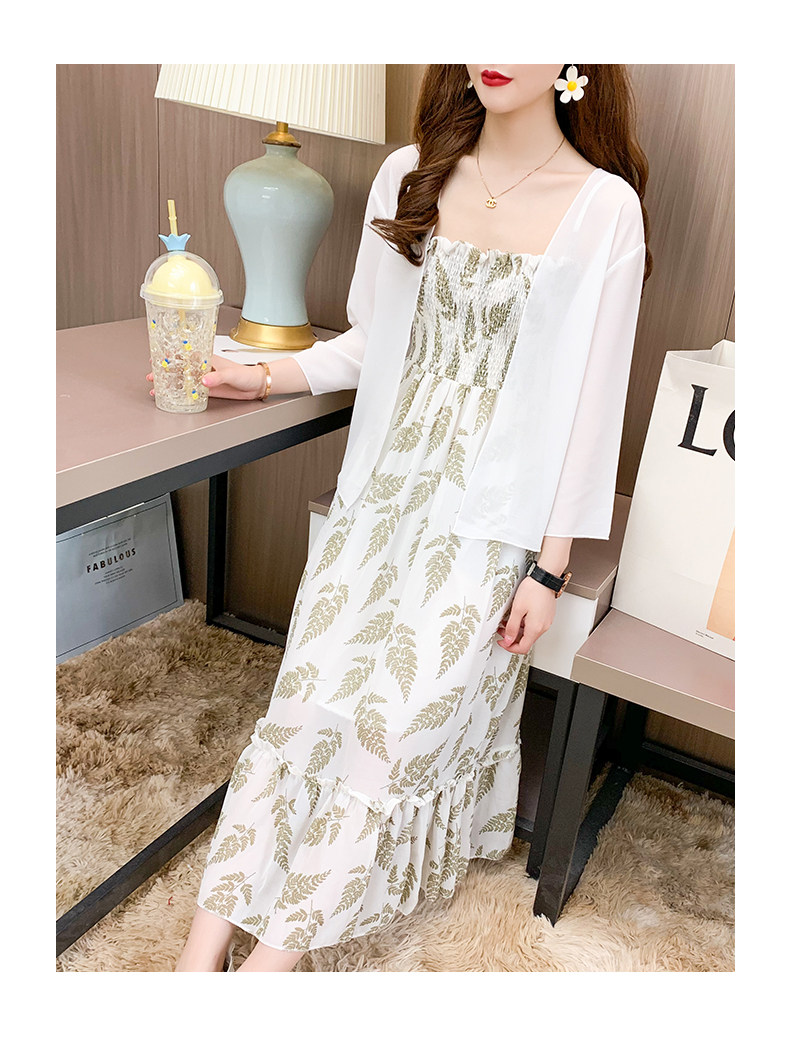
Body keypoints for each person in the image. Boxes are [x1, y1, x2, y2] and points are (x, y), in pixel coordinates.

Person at [160, 64, 651, 972]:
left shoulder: (604, 210)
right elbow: (369, 341)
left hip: (490, 523)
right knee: (303, 708)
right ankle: (200, 960)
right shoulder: (408, 174)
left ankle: (266, 971)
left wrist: (549, 569)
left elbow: (594, 408)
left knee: (388, 738)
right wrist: (260, 375)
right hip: (380, 499)